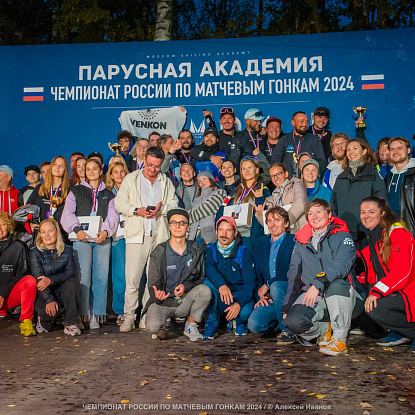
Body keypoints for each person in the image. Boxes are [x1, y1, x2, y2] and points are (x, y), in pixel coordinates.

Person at [282, 199, 359, 356]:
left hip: (342, 294)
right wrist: (287, 305)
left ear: (329, 214)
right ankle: (325, 329)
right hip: (315, 295)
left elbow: (340, 266)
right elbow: (294, 275)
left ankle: (339, 340)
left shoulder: (343, 236)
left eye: (319, 211)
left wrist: (317, 284)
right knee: (293, 321)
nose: (314, 216)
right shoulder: (301, 242)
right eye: (310, 213)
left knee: (336, 284)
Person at [114, 147, 178, 333]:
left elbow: (174, 203)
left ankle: (145, 316)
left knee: (153, 281)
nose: (152, 169)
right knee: (132, 279)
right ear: (144, 160)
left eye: (157, 166)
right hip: (137, 236)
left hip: (159, 236)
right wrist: (136, 211)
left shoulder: (165, 181)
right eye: (149, 165)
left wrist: (162, 209)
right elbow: (119, 202)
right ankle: (129, 316)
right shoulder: (132, 179)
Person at [61, 158, 119, 329]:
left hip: (102, 238)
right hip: (82, 238)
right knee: (83, 277)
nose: (92, 172)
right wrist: (77, 230)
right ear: (85, 172)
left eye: (95, 169)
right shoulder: (76, 191)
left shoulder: (108, 194)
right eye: (88, 169)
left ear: (101, 171)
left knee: (101, 277)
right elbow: (67, 213)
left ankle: (97, 314)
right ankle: (83, 313)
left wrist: (106, 231)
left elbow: (113, 215)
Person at [144, 209, 211, 341]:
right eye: (174, 223)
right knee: (153, 327)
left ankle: (191, 325)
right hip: (164, 302)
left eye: (182, 223)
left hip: (185, 301)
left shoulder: (195, 250)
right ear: (169, 226)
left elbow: (200, 278)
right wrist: (157, 295)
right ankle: (161, 326)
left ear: (188, 227)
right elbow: (153, 283)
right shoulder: (159, 251)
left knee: (205, 291)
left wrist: (185, 286)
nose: (178, 226)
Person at [359, 196, 415, 353]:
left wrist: (376, 292)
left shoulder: (398, 234)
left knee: (374, 307)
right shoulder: (374, 235)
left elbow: (401, 272)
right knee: (367, 302)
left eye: (371, 212)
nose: (366, 216)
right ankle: (402, 332)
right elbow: (369, 265)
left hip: (410, 290)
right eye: (363, 212)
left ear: (382, 213)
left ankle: (410, 332)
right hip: (399, 290)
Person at [247, 207, 296, 344]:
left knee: (275, 286)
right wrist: (260, 297)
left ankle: (288, 330)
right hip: (271, 296)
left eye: (277, 220)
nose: (273, 224)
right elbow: (257, 274)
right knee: (254, 324)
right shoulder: (261, 243)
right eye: (269, 221)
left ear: (286, 223)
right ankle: (280, 324)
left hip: (289, 293)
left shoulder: (294, 241)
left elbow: (293, 272)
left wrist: (269, 283)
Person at [203, 217, 256, 338]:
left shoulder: (244, 252)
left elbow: (250, 284)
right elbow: (209, 270)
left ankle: (240, 321)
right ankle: (211, 324)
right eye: (221, 230)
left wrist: (238, 303)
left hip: (238, 295)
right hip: (220, 294)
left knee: (245, 313)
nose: (224, 234)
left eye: (228, 230)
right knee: (206, 284)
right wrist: (221, 285)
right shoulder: (211, 250)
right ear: (216, 232)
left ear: (235, 232)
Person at [29, 219, 81, 336]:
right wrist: (49, 300)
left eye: (50, 231)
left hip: (61, 290)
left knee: (72, 283)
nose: (47, 235)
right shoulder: (34, 252)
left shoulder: (67, 250)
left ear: (56, 232)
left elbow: (70, 273)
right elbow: (39, 278)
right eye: (43, 232)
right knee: (48, 319)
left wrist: (50, 280)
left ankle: (70, 323)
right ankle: (42, 320)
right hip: (43, 292)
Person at [331, 139, 388, 240]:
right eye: (348, 150)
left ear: (364, 151)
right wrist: (337, 227)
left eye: (355, 148)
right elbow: (333, 205)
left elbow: (382, 203)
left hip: (367, 234)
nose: (351, 152)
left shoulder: (373, 174)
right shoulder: (341, 177)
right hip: (343, 233)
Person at [217, 158, 271, 250]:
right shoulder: (235, 190)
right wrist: (218, 225)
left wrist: (259, 198)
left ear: (256, 170)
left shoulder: (263, 189)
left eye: (250, 167)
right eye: (244, 168)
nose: (247, 171)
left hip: (251, 237)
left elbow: (265, 213)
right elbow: (223, 207)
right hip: (234, 236)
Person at [0, 211, 37, 336]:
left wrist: (3, 292)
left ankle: (26, 321)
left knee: (30, 280)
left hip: (8, 297)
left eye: (3, 224)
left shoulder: (19, 246)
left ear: (9, 226)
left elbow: (22, 274)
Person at [105, 160, 129, 325]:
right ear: (111, 176)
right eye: (116, 172)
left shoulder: (133, 191)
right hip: (117, 238)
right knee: (120, 276)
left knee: (136, 276)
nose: (119, 175)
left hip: (133, 235)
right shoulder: (108, 194)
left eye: (122, 171)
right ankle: (120, 311)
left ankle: (135, 309)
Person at [271, 111, 326, 179]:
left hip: (307, 181)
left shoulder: (314, 140)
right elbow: (275, 161)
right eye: (302, 121)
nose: (304, 124)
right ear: (293, 123)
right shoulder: (284, 140)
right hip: (288, 181)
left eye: (307, 122)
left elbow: (321, 162)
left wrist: (313, 176)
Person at [256, 163, 308, 234]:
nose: (276, 178)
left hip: (299, 232)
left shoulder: (296, 184)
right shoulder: (272, 198)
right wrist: (260, 215)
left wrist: (284, 223)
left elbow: (300, 205)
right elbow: (269, 225)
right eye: (272, 176)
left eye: (278, 174)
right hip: (282, 235)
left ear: (286, 174)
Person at [27, 156, 70, 225]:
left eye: (61, 166)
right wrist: (32, 223)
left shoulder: (70, 190)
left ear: (65, 170)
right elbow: (28, 209)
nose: (57, 167)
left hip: (60, 229)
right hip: (41, 229)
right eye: (55, 164)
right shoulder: (40, 188)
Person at [385, 137, 415, 233]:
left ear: (408, 150)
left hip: (410, 229)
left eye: (399, 148)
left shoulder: (413, 174)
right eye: (392, 149)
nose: (395, 152)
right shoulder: (388, 177)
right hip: (391, 229)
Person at [188, 171, 227, 244]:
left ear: (211, 179)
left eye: (204, 178)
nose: (202, 182)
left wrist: (188, 216)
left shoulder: (220, 192)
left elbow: (204, 209)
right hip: (193, 237)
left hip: (209, 234)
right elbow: (191, 220)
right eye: (199, 181)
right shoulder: (197, 199)